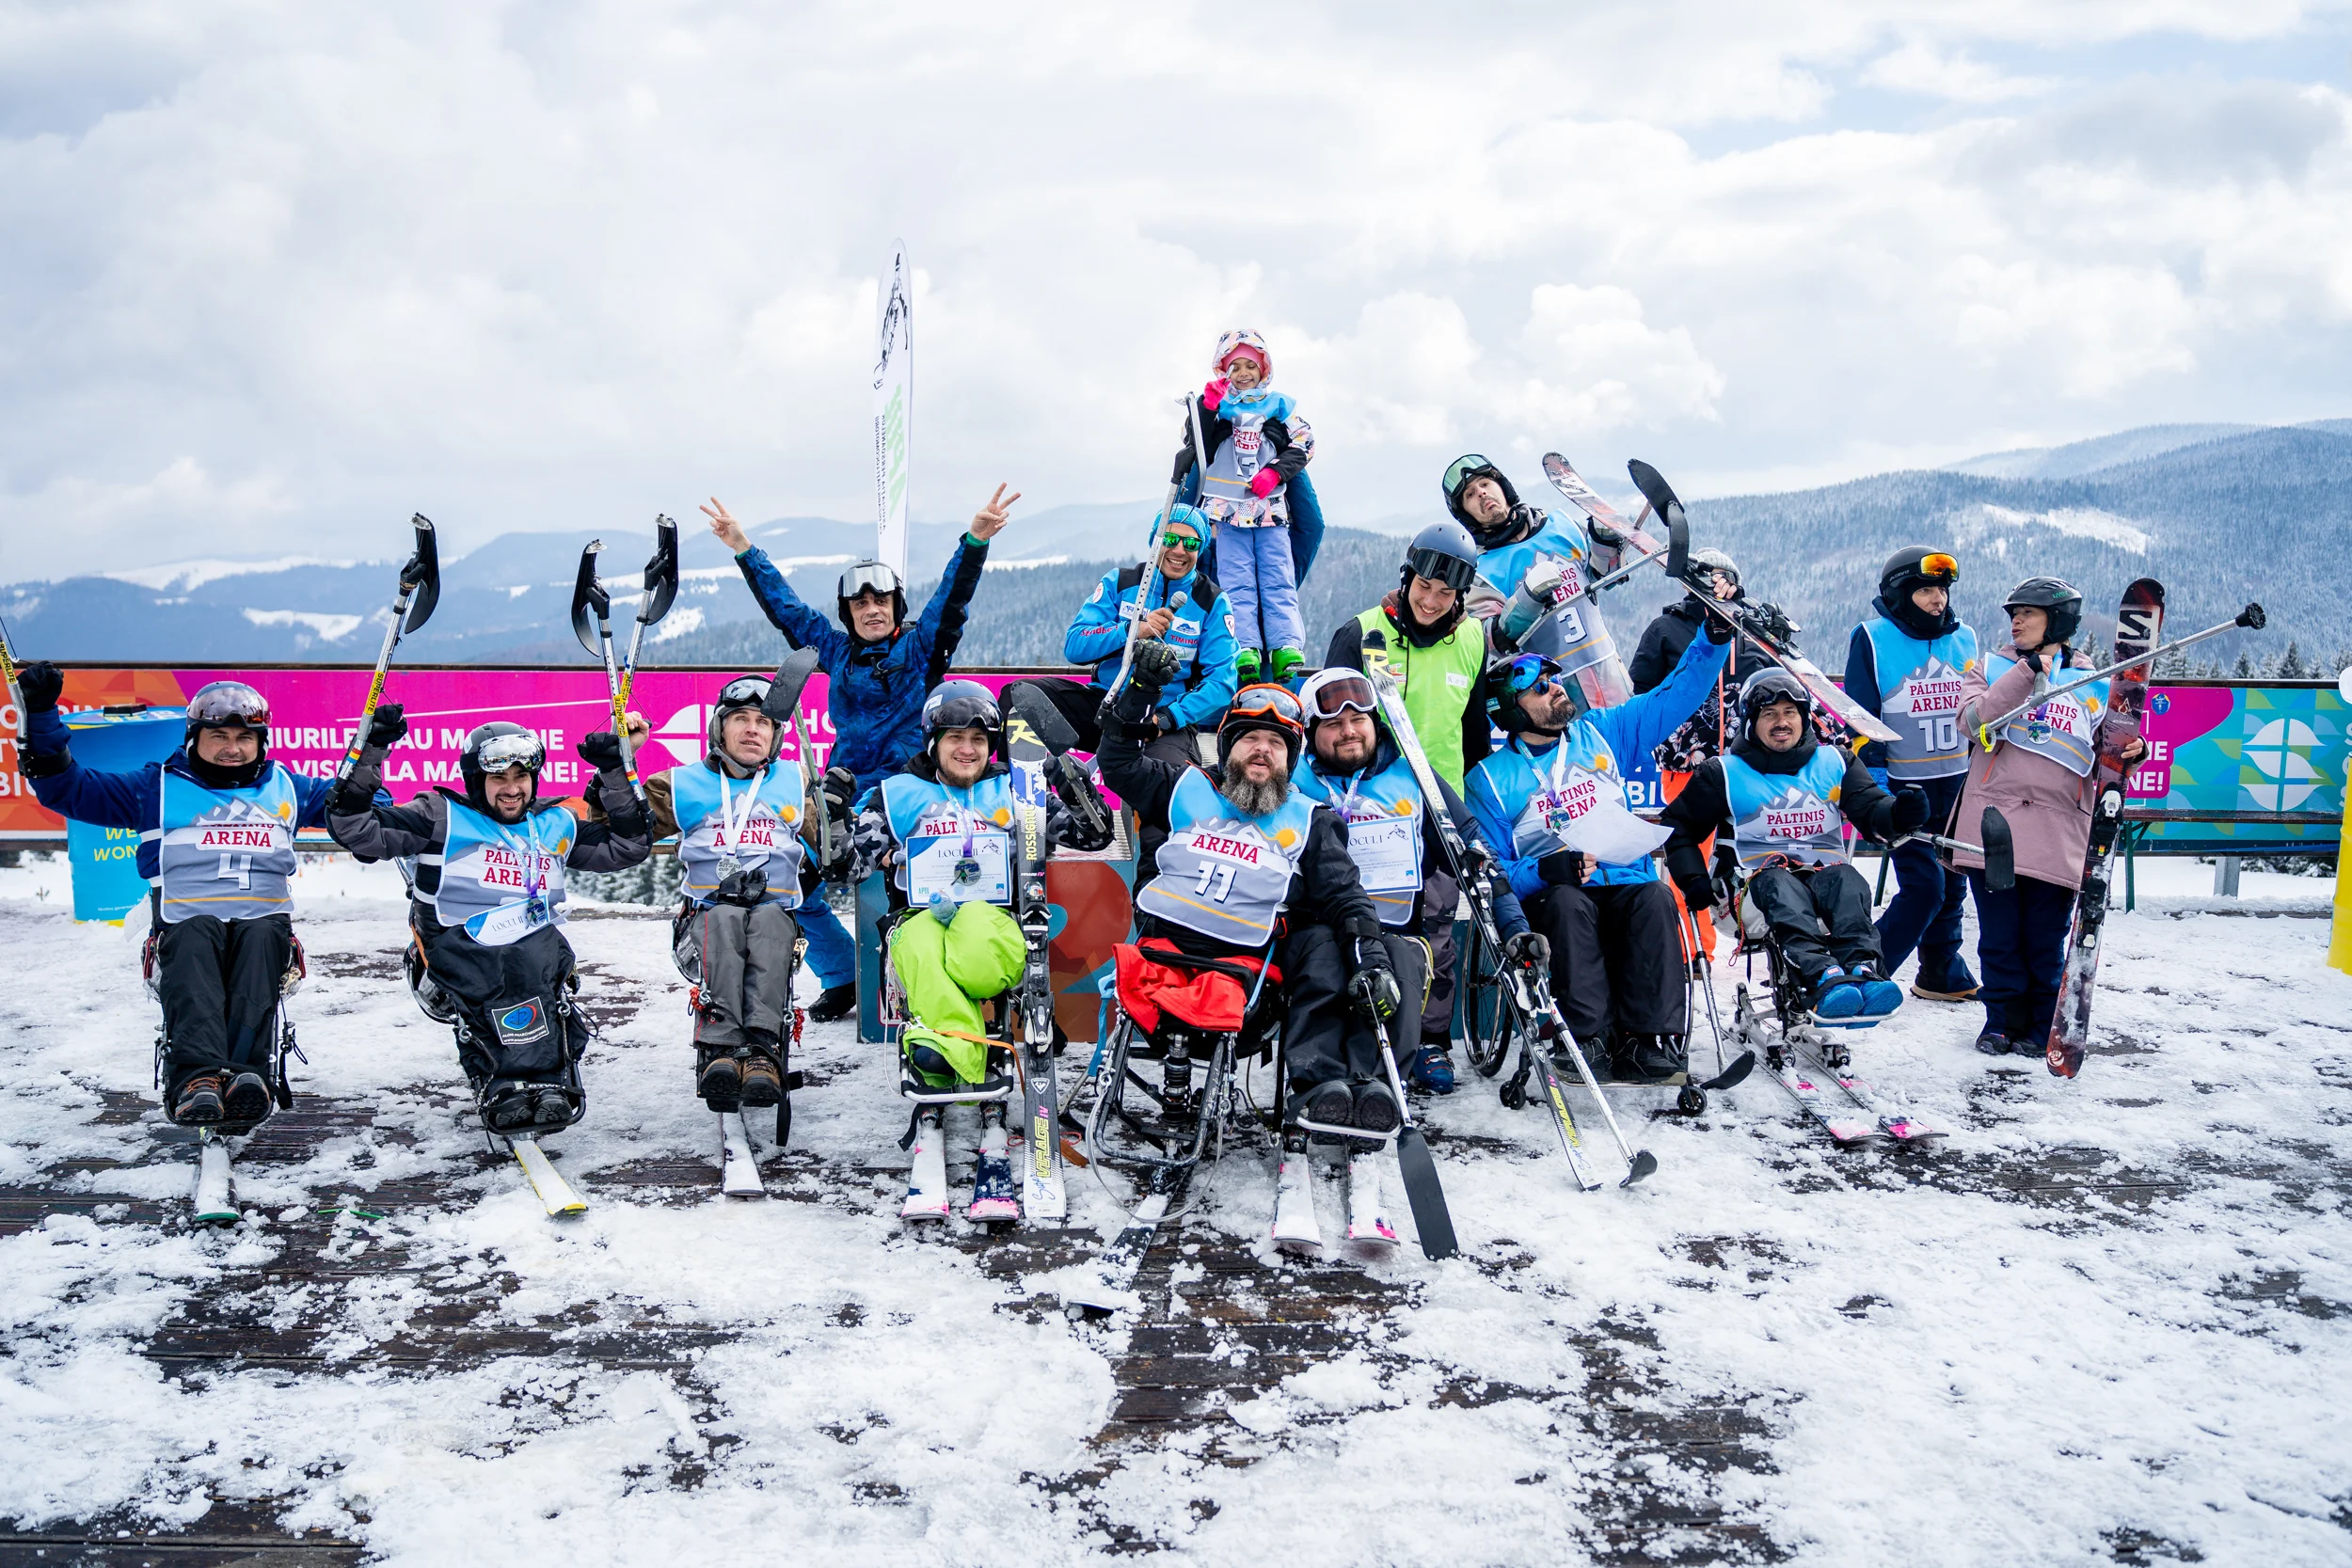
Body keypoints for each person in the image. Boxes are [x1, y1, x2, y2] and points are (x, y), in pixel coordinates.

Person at [703, 484, 1021, 1021]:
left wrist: (974, 542)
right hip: (844, 789)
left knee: (909, 884)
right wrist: (743, 548)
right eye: (860, 603)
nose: (872, 610)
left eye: (881, 601)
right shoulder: (835, 650)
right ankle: (842, 974)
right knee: (791, 876)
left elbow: (952, 598)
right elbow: (787, 611)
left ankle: (927, 982)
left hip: (911, 792)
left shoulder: (920, 648)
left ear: (896, 605)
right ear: (848, 613)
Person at [15, 667, 344, 1127]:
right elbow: (67, 788)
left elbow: (356, 803)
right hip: (183, 925)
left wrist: (373, 777)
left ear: (261, 743)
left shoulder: (288, 787)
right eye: (219, 736)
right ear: (194, 738)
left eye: (245, 738)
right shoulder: (156, 787)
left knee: (260, 935)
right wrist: (43, 715)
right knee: (197, 934)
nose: (233, 748)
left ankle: (247, 1078)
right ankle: (197, 1080)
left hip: (264, 925)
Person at [1100, 655, 1403, 1137]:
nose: (1262, 751)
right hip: (1163, 963)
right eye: (1250, 740)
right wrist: (1138, 691)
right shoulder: (1183, 788)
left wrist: (1374, 960)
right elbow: (1116, 763)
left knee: (1324, 939)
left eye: (1275, 744)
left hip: (1250, 982)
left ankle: (1319, 1089)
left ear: (1291, 759)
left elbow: (1347, 897)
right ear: (1227, 748)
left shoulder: (1311, 820)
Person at [326, 715, 650, 1132]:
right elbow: (355, 829)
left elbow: (629, 846)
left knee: (538, 961)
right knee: (502, 964)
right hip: (454, 939)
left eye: (521, 775)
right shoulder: (440, 816)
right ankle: (502, 1081)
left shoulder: (554, 823)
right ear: (476, 780)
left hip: (531, 941)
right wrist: (370, 751)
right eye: (498, 777)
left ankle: (549, 1078)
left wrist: (614, 770)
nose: (512, 788)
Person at [1465, 614, 1732, 1083]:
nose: (1556, 688)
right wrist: (1548, 870)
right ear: (1511, 708)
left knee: (1656, 897)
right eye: (1539, 688)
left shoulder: (1603, 732)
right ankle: (1583, 1038)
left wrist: (1711, 639)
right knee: (1570, 903)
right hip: (1555, 895)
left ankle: (1649, 1042)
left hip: (1624, 878)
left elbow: (1676, 697)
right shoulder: (1488, 780)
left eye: (1554, 679)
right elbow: (1494, 871)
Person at [1294, 667, 1541, 1094]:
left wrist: (1514, 926)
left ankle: (1377, 1088)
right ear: (1312, 731)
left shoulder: (1411, 777)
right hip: (1319, 927)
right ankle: (1320, 1088)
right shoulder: (1295, 783)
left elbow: (1474, 848)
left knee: (1402, 968)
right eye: (1333, 724)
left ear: (1376, 723)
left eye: (1358, 720)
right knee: (1323, 964)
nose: (1348, 731)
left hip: (1396, 932)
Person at [850, 682, 1110, 1087]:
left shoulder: (1016, 789)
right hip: (920, 918)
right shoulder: (898, 795)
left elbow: (1093, 837)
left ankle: (954, 1044)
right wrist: (831, 819)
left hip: (995, 922)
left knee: (969, 932)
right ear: (933, 742)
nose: (967, 749)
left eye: (978, 739)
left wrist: (1071, 782)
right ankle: (953, 1053)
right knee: (919, 945)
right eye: (955, 738)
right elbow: (850, 867)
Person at [1660, 671, 1929, 1019]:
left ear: (1804, 718)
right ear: (1751, 722)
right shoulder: (1722, 773)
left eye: (1790, 712)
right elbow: (1678, 828)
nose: (1781, 722)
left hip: (1822, 882)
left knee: (1847, 878)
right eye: (1769, 714)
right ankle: (1819, 978)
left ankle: (1864, 970)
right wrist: (1693, 879)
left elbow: (1872, 809)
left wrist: (1900, 814)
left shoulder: (1836, 762)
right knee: (1779, 883)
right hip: (1749, 894)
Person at [1950, 578, 2143, 1057]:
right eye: (2014, 613)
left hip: (2060, 829)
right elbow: (1971, 724)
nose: (2016, 620)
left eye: (2028, 613)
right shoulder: (1991, 666)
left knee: (2043, 938)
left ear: (2057, 622)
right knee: (1998, 937)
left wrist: (2131, 755)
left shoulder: (2098, 684)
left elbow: (2107, 760)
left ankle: (2040, 1025)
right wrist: (2025, 671)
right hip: (1993, 824)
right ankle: (2000, 1021)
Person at [616, 675, 809, 1112]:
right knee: (725, 919)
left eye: (764, 721)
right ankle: (721, 1048)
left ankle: (761, 1049)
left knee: (767, 920)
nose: (752, 729)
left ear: (776, 734)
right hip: (703, 920)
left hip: (774, 915)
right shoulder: (682, 784)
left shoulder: (796, 783)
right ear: (719, 728)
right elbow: (624, 829)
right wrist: (618, 762)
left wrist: (837, 811)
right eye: (740, 718)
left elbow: (841, 857)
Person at [1845, 546, 1982, 1003]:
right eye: (1926, 590)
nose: (1937, 599)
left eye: (1942, 590)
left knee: (1952, 881)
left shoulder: (1966, 638)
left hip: (1958, 780)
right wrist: (1878, 785)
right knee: (1925, 887)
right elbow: (1860, 715)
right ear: (1901, 593)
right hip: (1904, 787)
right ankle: (1861, 971)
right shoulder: (1872, 638)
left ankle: (1941, 970)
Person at [1171, 330, 1315, 684]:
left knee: (1277, 577)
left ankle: (1285, 645)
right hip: (1227, 507)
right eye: (1235, 366)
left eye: (1251, 365)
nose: (1243, 373)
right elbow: (1194, 442)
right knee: (1236, 580)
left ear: (1264, 367)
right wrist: (1207, 408)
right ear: (1223, 368)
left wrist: (1277, 471)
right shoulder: (1218, 404)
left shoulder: (1278, 404)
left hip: (1268, 507)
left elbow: (1306, 439)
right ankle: (1244, 646)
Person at [1041, 502, 1236, 761]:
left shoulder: (1212, 601)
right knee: (1022, 697)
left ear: (1200, 550)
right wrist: (1132, 632)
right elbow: (1075, 646)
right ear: (1154, 540)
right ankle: (1036, 786)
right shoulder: (1120, 582)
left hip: (1165, 718)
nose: (1179, 550)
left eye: (1190, 544)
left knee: (1168, 780)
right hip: (1107, 703)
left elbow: (1222, 681)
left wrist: (1168, 718)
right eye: (1169, 538)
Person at [1322, 520, 1494, 794]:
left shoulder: (1471, 637)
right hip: (1376, 799)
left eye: (1445, 593)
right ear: (1408, 578)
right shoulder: (1360, 633)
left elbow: (1474, 730)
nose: (1430, 602)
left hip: (1446, 802)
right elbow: (1328, 728)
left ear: (1459, 596)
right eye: (1424, 586)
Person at [1438, 453, 1623, 630]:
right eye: (1470, 494)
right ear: (1466, 514)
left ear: (1503, 487)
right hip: (1541, 663)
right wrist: (1526, 600)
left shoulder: (1562, 526)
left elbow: (1603, 578)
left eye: (1485, 483)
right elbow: (1489, 640)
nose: (1481, 493)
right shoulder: (1481, 573)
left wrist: (1604, 541)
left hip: (1605, 659)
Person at [1630, 547, 1777, 768]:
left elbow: (1779, 690)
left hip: (1748, 766)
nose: (1716, 583)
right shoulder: (1664, 629)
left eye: (1723, 578)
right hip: (1684, 763)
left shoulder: (1754, 635)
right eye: (1707, 576)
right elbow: (1641, 692)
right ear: (1689, 582)